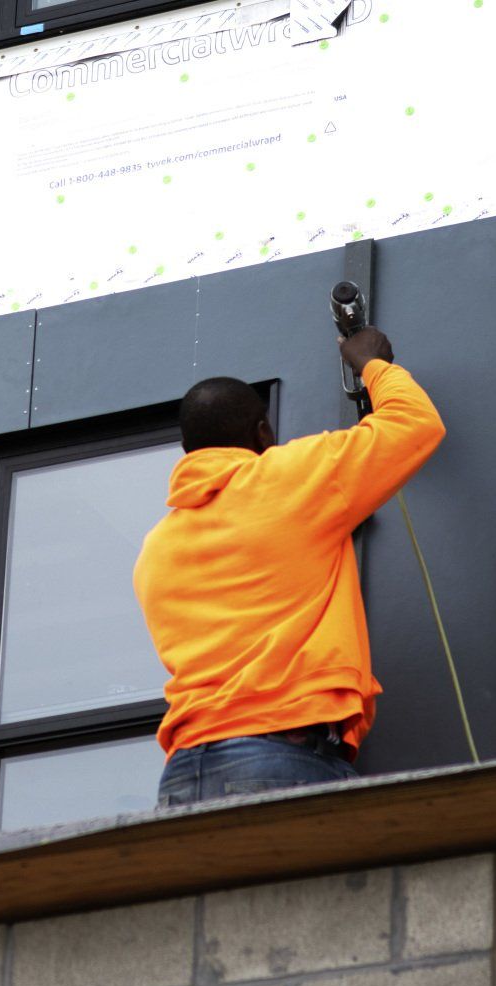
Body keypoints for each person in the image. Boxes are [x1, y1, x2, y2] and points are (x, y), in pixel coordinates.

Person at [134, 326, 444, 807]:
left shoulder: (157, 548)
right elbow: (414, 424)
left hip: (183, 776)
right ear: (263, 432)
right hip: (278, 757)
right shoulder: (288, 479)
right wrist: (373, 364)